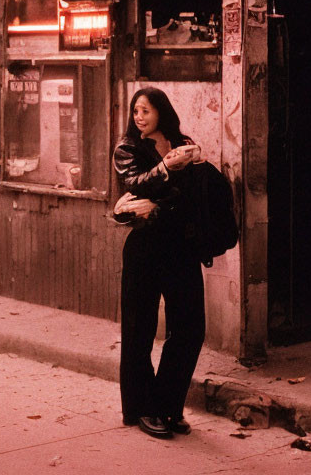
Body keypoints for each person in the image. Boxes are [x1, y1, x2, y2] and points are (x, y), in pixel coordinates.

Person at [112, 87, 205, 439]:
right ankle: (143, 408)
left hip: (181, 246)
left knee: (191, 327)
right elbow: (135, 184)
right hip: (145, 247)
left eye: (146, 111)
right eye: (136, 111)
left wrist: (194, 164)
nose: (139, 116)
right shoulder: (128, 149)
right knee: (139, 330)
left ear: (161, 112)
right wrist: (166, 168)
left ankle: (168, 404)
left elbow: (193, 193)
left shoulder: (182, 142)